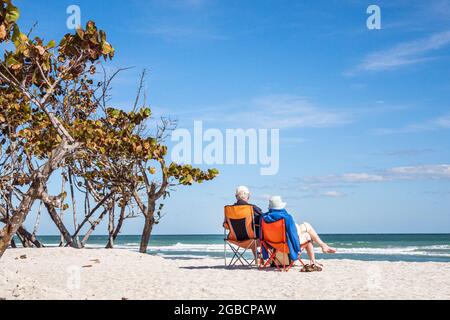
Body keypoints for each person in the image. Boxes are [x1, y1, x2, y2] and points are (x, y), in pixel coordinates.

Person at [263, 196, 336, 271]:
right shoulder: (286, 217)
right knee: (308, 234)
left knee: (306, 226)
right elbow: (292, 234)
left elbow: (262, 236)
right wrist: (296, 249)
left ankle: (321, 248)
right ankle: (318, 253)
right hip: (286, 244)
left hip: (272, 244)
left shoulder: (264, 218)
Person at [229, 186, 263, 259]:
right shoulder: (251, 208)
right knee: (255, 230)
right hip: (252, 239)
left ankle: (257, 257)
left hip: (235, 239)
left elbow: (225, 225)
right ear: (248, 196)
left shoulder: (229, 210)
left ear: (236, 197)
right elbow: (263, 219)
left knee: (251, 230)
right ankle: (269, 259)